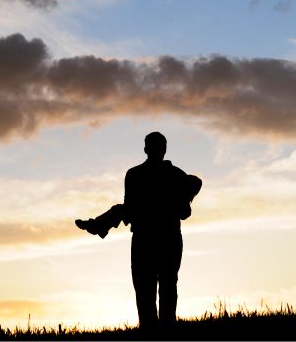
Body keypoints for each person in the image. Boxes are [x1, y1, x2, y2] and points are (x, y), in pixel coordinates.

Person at [75, 132, 202, 331]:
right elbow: (132, 208)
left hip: (154, 238)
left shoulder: (154, 174)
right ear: (163, 149)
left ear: (146, 149)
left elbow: (187, 200)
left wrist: (184, 198)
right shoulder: (169, 174)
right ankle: (160, 329)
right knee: (154, 288)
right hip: (157, 237)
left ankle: (98, 225)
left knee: (156, 288)